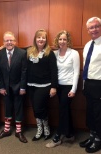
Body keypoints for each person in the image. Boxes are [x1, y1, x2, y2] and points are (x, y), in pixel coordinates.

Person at [46, 30, 80, 148]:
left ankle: (57, 137)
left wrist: (74, 90)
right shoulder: (54, 53)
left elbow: (76, 73)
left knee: (62, 111)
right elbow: (35, 48)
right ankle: (70, 134)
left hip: (69, 86)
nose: (62, 41)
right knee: (65, 110)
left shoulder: (74, 53)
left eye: (64, 39)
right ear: (57, 40)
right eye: (60, 39)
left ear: (68, 40)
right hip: (58, 87)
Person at [0, 31, 28, 143]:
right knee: (7, 108)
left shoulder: (22, 53)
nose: (9, 42)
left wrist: (23, 87)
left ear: (15, 41)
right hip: (5, 88)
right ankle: (7, 129)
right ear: (3, 42)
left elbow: (24, 71)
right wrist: (1, 87)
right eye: (6, 40)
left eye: (11, 40)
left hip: (18, 87)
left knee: (18, 108)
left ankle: (18, 131)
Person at [27, 29, 58, 141]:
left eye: (43, 37)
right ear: (35, 39)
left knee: (40, 107)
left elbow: (54, 71)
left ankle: (46, 128)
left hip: (45, 85)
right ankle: (39, 129)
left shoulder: (50, 53)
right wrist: (2, 48)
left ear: (46, 40)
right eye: (39, 37)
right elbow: (17, 50)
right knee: (35, 108)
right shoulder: (30, 51)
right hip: (31, 85)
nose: (41, 39)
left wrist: (54, 87)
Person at [79, 17, 101, 153]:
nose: (94, 29)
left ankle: (98, 139)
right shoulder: (88, 45)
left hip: (99, 84)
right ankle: (92, 136)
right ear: (87, 30)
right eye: (91, 27)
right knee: (91, 112)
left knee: (99, 113)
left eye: (97, 26)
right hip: (88, 83)